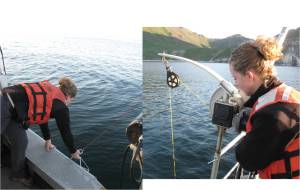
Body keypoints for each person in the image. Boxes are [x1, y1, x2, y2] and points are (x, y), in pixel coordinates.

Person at [229, 36, 300, 179]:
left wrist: (243, 124)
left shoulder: (272, 116)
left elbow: (247, 160)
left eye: (235, 78)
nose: (235, 83)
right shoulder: (285, 94)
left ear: (250, 76)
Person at [1, 77, 82, 186]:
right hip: (3, 104)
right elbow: (65, 132)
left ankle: (18, 175)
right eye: (71, 100)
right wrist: (73, 152)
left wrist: (47, 139)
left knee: (21, 142)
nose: (69, 103)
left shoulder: (50, 93)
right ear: (68, 96)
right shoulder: (61, 108)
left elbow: (40, 115)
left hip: (13, 111)